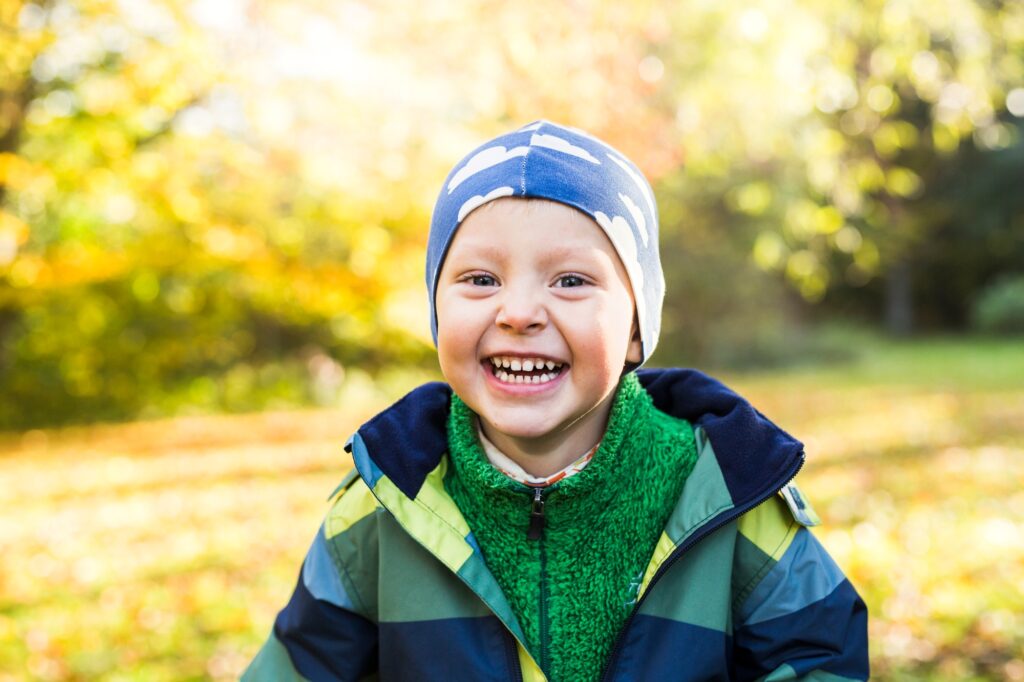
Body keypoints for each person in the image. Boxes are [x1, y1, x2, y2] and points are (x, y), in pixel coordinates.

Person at [242, 121, 869, 681]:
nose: (517, 313)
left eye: (571, 280)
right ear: (437, 310)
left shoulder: (726, 497)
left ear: (634, 329)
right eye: (480, 279)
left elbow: (823, 658)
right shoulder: (384, 506)